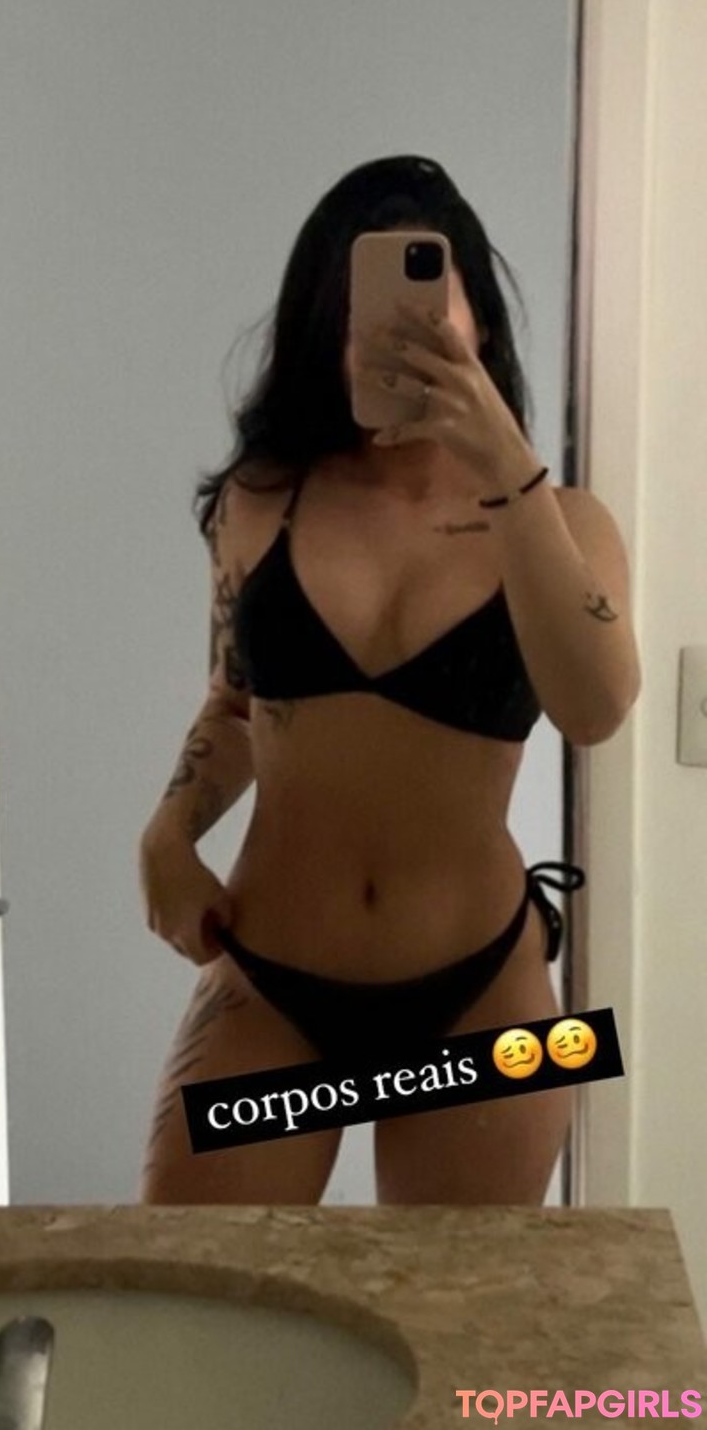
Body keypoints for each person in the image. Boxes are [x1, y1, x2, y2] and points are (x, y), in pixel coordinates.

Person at [138, 155, 640, 1205]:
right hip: (272, 985)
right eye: (356, 317)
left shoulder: (564, 521)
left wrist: (504, 466)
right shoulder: (260, 499)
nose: (390, 341)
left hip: (484, 1000)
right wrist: (168, 835)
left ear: (481, 324)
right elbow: (235, 703)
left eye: (428, 312)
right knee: (198, 1286)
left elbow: (597, 708)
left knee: (458, 1303)